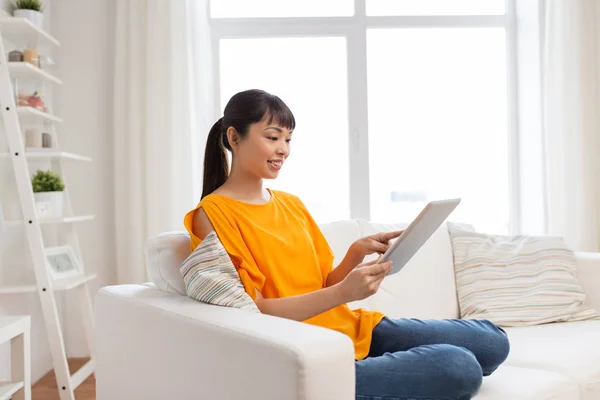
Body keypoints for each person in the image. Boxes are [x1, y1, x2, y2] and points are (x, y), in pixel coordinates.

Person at [184, 89, 510, 399]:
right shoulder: (212, 214)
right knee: (458, 366)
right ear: (233, 138)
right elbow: (256, 311)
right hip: (310, 352)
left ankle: (380, 373)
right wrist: (343, 294)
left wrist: (356, 253)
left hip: (350, 329)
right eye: (272, 137)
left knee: (492, 341)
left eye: (288, 139)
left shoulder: (291, 203)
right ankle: (348, 381)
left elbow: (323, 284)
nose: (283, 149)